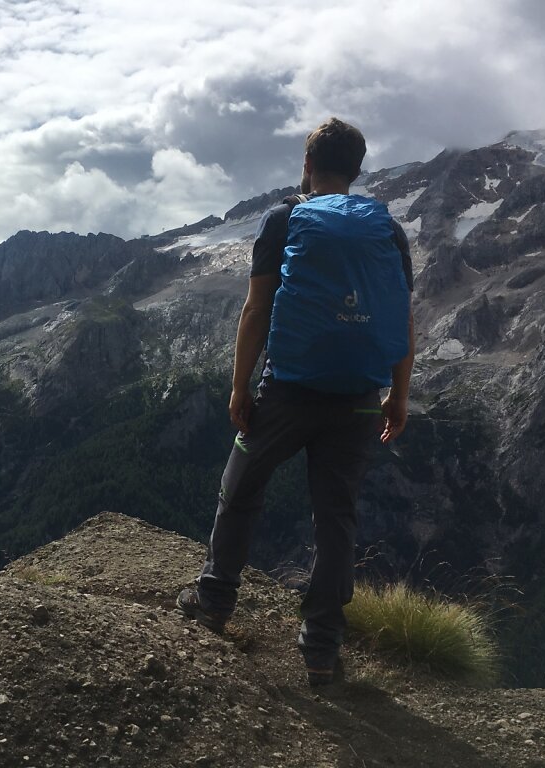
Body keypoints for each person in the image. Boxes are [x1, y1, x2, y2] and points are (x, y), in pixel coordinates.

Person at [177, 117, 415, 686]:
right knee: (336, 518)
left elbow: (256, 311)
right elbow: (401, 319)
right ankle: (321, 647)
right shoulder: (389, 231)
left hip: (286, 391)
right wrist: (397, 396)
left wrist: (240, 385)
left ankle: (213, 600)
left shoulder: (284, 219)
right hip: (359, 396)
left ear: (306, 166)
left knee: (240, 488)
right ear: (358, 171)